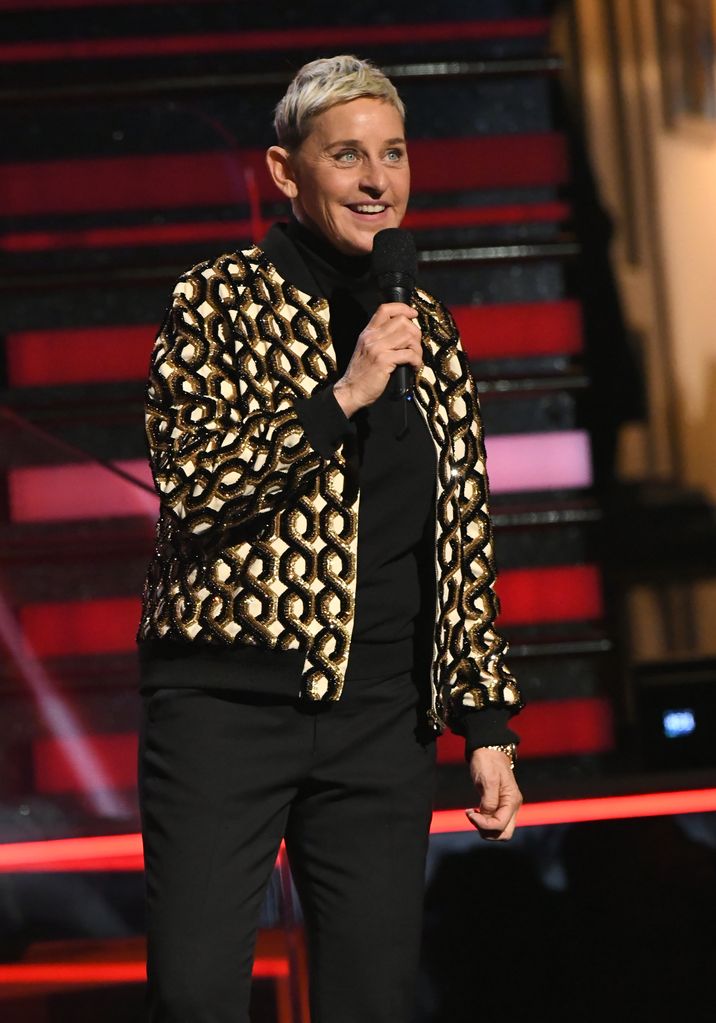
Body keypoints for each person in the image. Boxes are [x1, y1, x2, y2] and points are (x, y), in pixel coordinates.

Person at [137, 54, 524, 1023]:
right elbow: (195, 487)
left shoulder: (424, 326)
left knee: (373, 1000)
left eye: (391, 154)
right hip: (225, 704)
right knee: (194, 997)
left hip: (380, 723)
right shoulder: (216, 302)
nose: (374, 179)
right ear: (283, 171)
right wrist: (341, 396)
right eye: (345, 155)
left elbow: (461, 536)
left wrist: (484, 725)